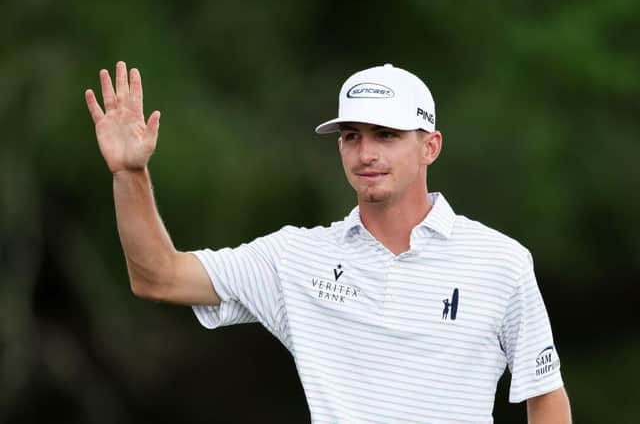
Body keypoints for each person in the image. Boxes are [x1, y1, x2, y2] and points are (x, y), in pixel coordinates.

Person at [85, 61, 572, 423]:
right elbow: (158, 276)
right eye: (351, 136)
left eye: (386, 134)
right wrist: (130, 172)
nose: (366, 153)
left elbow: (545, 394)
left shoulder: (500, 262)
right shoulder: (296, 257)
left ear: (430, 146)